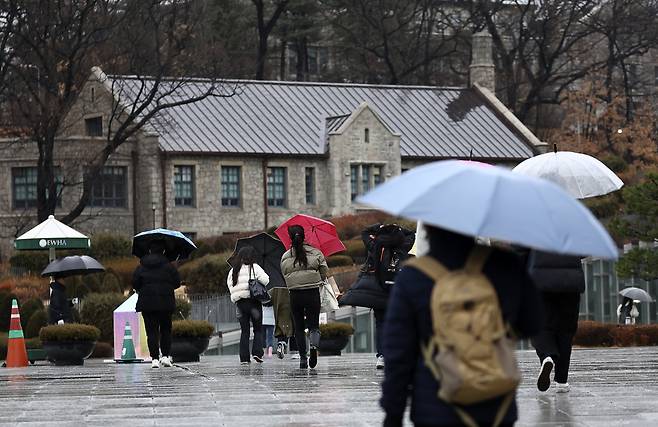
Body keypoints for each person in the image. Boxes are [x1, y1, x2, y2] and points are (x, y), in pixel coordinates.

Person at [380, 225, 542, 427]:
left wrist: (392, 414)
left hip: (435, 407)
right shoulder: (504, 264)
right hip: (496, 405)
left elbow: (398, 355)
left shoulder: (414, 276)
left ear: (427, 228)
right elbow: (532, 324)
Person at [340, 223, 414, 369]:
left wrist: (380, 226)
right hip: (397, 290)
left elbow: (365, 231)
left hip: (378, 291)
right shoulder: (403, 246)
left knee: (380, 324)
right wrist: (398, 228)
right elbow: (412, 234)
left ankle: (381, 355)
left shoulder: (375, 247)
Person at [528, 250, 584, 393]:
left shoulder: (532, 227)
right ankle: (561, 381)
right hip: (570, 281)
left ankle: (547, 356)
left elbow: (519, 249)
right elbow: (585, 248)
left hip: (540, 280)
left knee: (540, 324)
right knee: (566, 329)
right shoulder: (574, 227)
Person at [281, 224, 328, 370]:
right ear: (304, 236)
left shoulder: (285, 256)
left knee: (299, 328)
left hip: (295, 294)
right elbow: (324, 271)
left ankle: (302, 357)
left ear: (290, 237)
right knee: (314, 326)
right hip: (312, 292)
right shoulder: (316, 253)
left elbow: (284, 274)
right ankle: (314, 348)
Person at [132, 239, 181, 369]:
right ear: (163, 250)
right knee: (166, 330)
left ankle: (154, 358)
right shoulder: (169, 266)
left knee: (151, 331)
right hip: (165, 302)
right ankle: (165, 356)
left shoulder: (141, 266)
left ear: (149, 250)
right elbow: (177, 283)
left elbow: (135, 284)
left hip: (147, 304)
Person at [227, 246, 269, 365]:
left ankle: (244, 358)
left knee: (244, 331)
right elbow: (266, 280)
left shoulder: (233, 270)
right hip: (254, 303)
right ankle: (257, 352)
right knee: (258, 329)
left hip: (240, 304)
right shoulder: (255, 267)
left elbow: (230, 285)